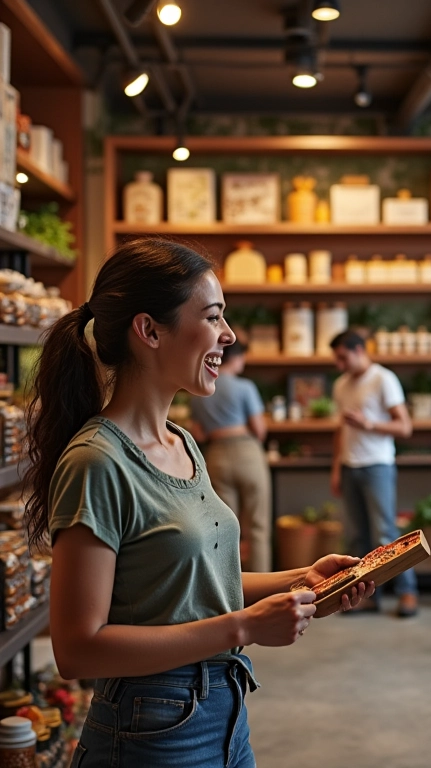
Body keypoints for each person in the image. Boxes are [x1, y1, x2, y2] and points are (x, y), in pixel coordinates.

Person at [24, 239, 373, 768]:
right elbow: (78, 649)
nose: (228, 336)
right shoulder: (97, 462)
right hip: (149, 731)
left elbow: (195, 586)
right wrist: (246, 627)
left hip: (225, 713)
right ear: (149, 331)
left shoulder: (183, 444)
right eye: (213, 318)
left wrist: (304, 579)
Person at [329, 330, 418, 617]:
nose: (339, 364)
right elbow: (341, 431)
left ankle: (408, 593)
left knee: (385, 534)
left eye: (343, 357)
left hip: (378, 465)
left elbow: (404, 427)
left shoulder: (384, 379)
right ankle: (366, 597)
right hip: (349, 467)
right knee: (356, 539)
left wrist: (369, 425)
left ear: (359, 351)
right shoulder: (341, 385)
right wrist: (336, 468)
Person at [189, 339, 272, 572]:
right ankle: (262, 589)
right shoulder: (244, 387)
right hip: (248, 454)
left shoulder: (199, 392)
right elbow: (260, 430)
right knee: (257, 527)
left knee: (224, 527)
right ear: (235, 357)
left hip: (216, 456)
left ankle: (228, 588)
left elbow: (199, 434)